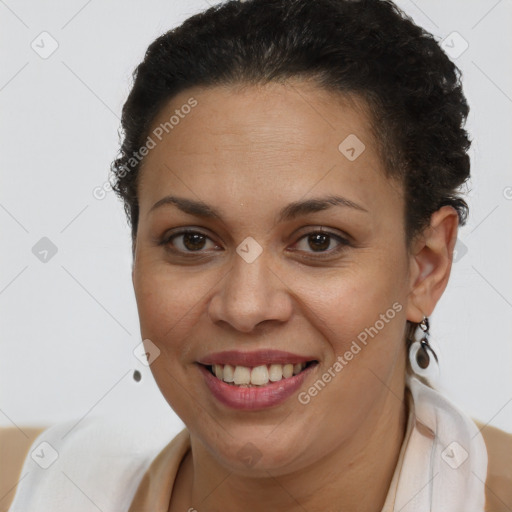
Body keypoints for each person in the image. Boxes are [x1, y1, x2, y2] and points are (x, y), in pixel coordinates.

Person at [6, 0, 512, 511]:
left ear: (425, 266)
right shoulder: (34, 489)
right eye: (193, 240)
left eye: (319, 240)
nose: (246, 308)